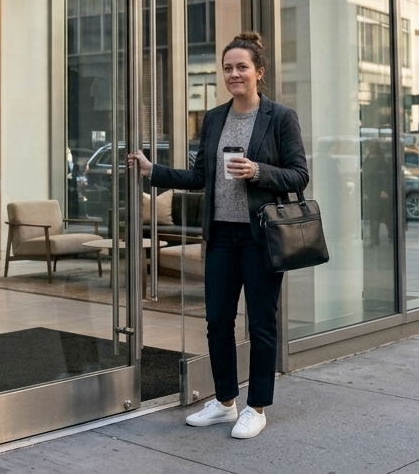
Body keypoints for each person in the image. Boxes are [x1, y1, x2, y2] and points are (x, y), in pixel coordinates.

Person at [128, 31, 308, 440]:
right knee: (217, 323)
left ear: (259, 72)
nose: (234, 74)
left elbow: (299, 174)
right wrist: (153, 171)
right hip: (222, 237)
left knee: (261, 324)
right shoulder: (214, 118)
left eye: (242, 67)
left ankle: (256, 408)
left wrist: (258, 171)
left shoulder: (280, 117)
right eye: (228, 68)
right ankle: (225, 402)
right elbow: (199, 176)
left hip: (261, 237)